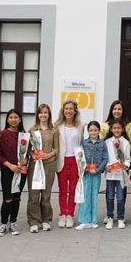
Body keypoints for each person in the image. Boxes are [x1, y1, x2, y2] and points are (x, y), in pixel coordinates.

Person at [0, 109, 27, 237]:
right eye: (10, 117)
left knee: (17, 198)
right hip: (7, 171)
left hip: (21, 171)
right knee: (8, 198)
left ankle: (13, 222)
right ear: (7, 120)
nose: (13, 119)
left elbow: (28, 152)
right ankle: (3, 223)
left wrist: (24, 161)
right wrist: (10, 165)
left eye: (16, 117)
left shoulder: (24, 135)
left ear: (20, 119)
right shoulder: (2, 134)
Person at [27, 104, 58, 233]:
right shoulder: (32, 130)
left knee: (46, 195)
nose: (43, 115)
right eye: (41, 113)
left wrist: (47, 155)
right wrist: (33, 155)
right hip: (35, 165)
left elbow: (56, 149)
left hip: (49, 165)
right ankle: (34, 221)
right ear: (37, 115)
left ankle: (46, 220)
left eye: (46, 112)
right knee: (34, 195)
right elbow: (28, 148)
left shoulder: (54, 130)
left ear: (49, 115)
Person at [55, 100, 84, 228]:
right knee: (62, 189)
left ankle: (70, 215)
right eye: (66, 108)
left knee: (72, 189)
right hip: (62, 160)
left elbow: (82, 144)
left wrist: (81, 164)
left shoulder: (80, 127)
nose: (68, 111)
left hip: (75, 161)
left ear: (75, 111)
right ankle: (62, 214)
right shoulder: (57, 126)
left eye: (71, 109)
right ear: (63, 110)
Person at [75, 121, 108, 230]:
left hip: (96, 174)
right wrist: (82, 168)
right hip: (86, 174)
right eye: (91, 130)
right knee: (85, 196)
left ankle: (93, 220)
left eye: (95, 130)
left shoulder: (102, 143)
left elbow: (105, 159)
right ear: (88, 131)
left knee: (94, 195)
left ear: (99, 131)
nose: (93, 132)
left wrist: (98, 170)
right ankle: (84, 221)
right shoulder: (84, 143)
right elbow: (80, 157)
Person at [104, 119, 131, 229]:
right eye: (114, 128)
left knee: (120, 197)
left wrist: (126, 165)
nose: (116, 130)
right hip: (110, 174)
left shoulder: (125, 143)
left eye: (119, 128)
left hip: (121, 175)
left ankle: (120, 218)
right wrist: (107, 166)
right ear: (111, 129)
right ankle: (110, 217)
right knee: (109, 196)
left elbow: (128, 158)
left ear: (123, 129)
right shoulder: (107, 142)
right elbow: (105, 157)